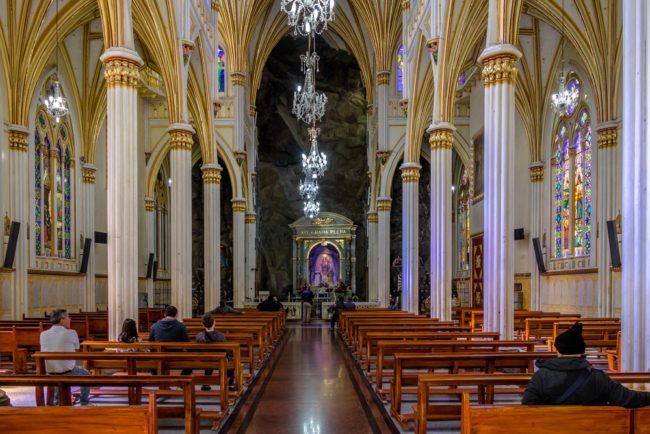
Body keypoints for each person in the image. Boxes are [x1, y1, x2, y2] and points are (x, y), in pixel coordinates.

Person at [522, 322, 650, 407]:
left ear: (557, 350)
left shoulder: (541, 376)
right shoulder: (599, 377)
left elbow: (528, 406)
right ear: (582, 352)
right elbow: (630, 399)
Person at [40, 309, 91, 406]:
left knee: (57, 370)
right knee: (86, 374)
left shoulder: (43, 334)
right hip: (67, 371)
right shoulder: (71, 332)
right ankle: (84, 402)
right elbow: (76, 352)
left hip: (49, 370)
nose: (70, 319)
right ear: (62, 320)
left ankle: (57, 401)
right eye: (68, 317)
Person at [195, 313, 236, 392]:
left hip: (204, 361)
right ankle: (231, 385)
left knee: (209, 358)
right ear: (214, 322)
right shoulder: (220, 335)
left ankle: (206, 384)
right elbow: (227, 350)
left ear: (202, 324)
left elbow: (197, 350)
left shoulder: (199, 336)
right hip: (219, 360)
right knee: (230, 360)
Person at [149, 306, 191, 375]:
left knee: (149, 362)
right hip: (176, 357)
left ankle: (158, 378)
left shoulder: (154, 326)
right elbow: (188, 344)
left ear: (164, 315)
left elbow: (150, 343)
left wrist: (155, 354)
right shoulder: (181, 326)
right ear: (176, 315)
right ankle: (181, 383)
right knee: (191, 362)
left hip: (159, 357)